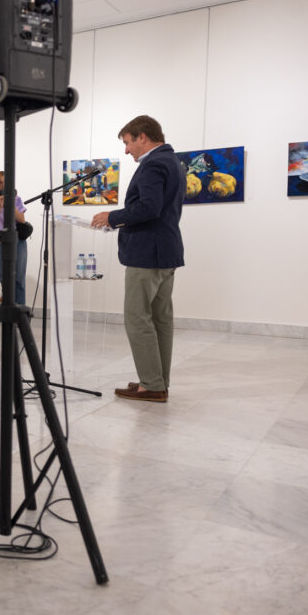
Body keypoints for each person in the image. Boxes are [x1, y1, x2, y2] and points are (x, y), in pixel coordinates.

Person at [92, 115, 184, 404]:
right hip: (165, 251)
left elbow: (149, 208)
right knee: (160, 320)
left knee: (137, 318)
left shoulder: (153, 164)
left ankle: (152, 384)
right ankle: (156, 382)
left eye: (128, 142)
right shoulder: (173, 162)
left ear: (142, 136)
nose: (126, 150)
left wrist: (112, 217)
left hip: (147, 253)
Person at [0, 170, 28, 305]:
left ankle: (20, 315)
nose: (3, 186)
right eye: (1, 183)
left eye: (6, 183)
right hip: (1, 240)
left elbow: (21, 219)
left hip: (18, 240)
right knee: (5, 278)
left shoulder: (16, 199)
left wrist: (11, 203)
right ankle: (8, 311)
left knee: (19, 279)